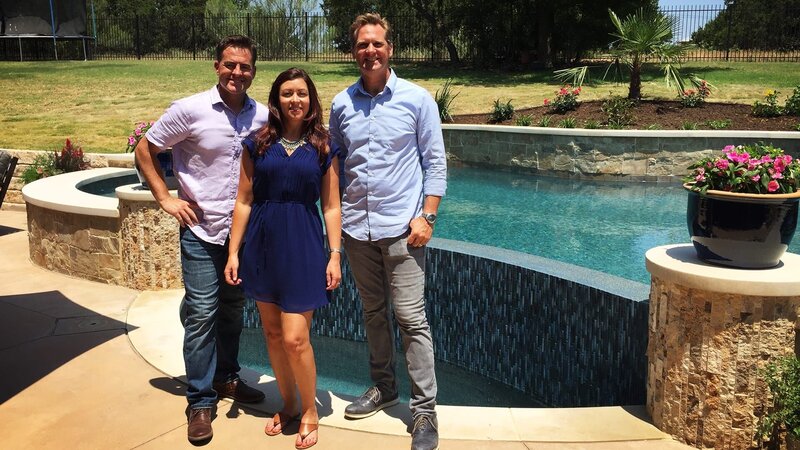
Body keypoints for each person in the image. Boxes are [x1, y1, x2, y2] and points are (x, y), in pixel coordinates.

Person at [134, 35, 269, 444]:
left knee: (231, 312)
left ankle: (227, 378)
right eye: (230, 65)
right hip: (199, 230)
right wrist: (165, 198)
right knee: (203, 315)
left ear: (253, 72)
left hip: (239, 237)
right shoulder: (189, 109)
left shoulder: (261, 116)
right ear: (217, 66)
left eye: (244, 67)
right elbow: (146, 148)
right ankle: (200, 400)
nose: (236, 73)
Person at [328, 12, 447, 450]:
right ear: (354, 50)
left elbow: (435, 163)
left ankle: (424, 411)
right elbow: (336, 165)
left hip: (403, 230)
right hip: (359, 231)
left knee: (411, 319)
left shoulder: (417, 100)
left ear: (389, 49)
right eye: (362, 44)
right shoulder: (341, 104)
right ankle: (383, 387)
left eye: (377, 43)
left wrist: (427, 216)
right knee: (373, 315)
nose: (370, 51)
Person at [224, 67, 341, 450]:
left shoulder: (323, 145)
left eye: (302, 93)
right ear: (276, 100)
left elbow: (331, 206)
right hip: (262, 244)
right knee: (272, 333)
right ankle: (288, 403)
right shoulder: (257, 143)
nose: (295, 100)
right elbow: (243, 200)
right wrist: (234, 252)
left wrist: (335, 254)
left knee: (295, 338)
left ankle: (310, 409)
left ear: (311, 100)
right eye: (287, 93)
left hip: (303, 246)